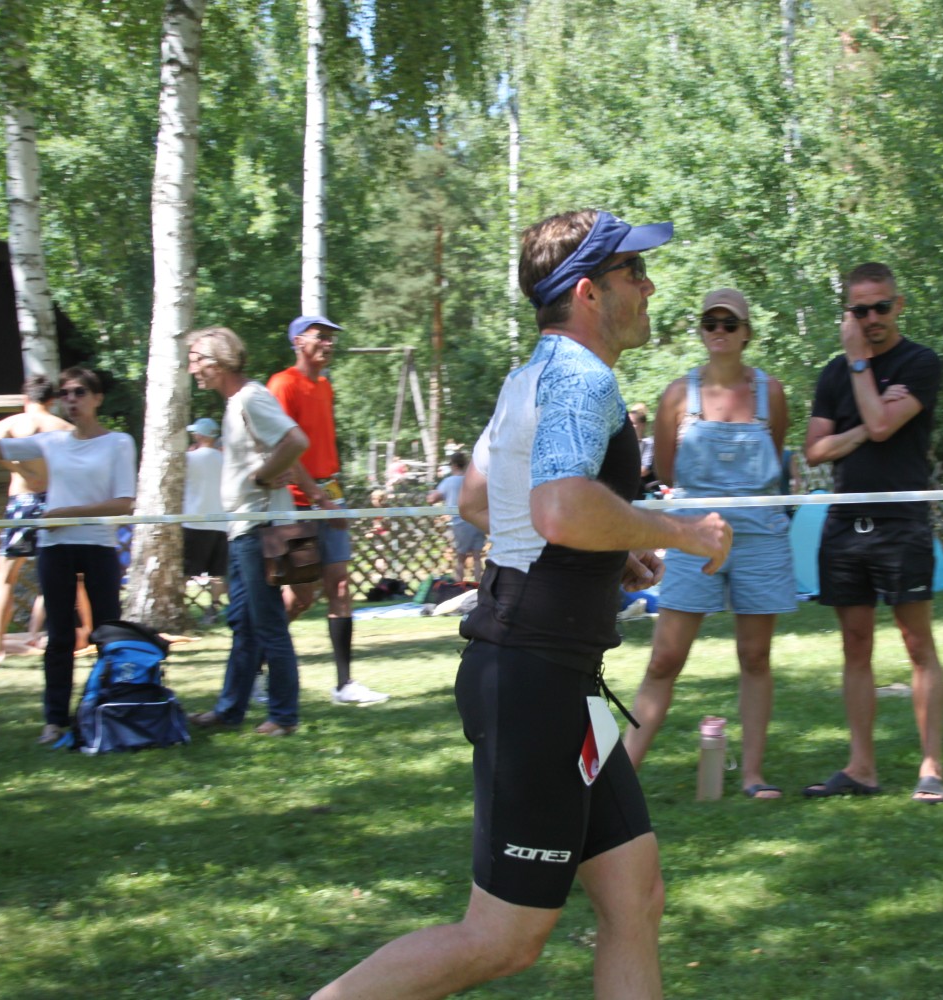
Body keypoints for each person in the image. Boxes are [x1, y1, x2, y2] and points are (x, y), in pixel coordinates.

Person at [311, 209, 732, 1000]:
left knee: (635, 895)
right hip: (535, 684)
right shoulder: (581, 378)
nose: (648, 287)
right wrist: (681, 532)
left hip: (563, 684)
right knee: (503, 939)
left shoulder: (530, 376)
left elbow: (480, 499)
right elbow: (560, 509)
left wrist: (613, 547)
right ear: (587, 293)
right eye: (634, 273)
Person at [622, 288, 794, 799]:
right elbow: (667, 470)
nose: (719, 331)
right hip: (693, 536)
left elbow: (776, 455)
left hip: (761, 538)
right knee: (665, 658)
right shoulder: (678, 394)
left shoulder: (771, 392)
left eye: (729, 323)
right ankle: (620, 780)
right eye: (710, 323)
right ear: (701, 331)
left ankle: (753, 775)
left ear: (746, 333)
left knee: (755, 656)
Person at [802, 262, 943, 804]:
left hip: (901, 520)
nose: (872, 318)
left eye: (881, 307)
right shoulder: (833, 374)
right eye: (860, 310)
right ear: (848, 312)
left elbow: (886, 427)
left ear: (898, 305)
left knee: (917, 643)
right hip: (845, 523)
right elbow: (815, 450)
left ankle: (931, 769)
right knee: (855, 645)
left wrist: (861, 367)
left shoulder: (920, 363)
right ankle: (861, 768)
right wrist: (865, 427)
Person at [0, 368, 136, 744]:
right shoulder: (52, 441)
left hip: (99, 546)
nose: (71, 400)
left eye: (79, 392)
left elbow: (124, 502)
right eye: (66, 394)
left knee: (107, 634)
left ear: (97, 398)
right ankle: (54, 721)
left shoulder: (118, 442)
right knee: (58, 638)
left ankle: (110, 709)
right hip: (55, 548)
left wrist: (65, 514)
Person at [186, 327, 310, 736]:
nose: (192, 368)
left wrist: (262, 476)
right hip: (245, 527)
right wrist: (266, 471)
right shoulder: (236, 402)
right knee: (243, 622)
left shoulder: (251, 398)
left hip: (263, 527)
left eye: (196, 359)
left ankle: (284, 716)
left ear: (218, 362)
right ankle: (229, 710)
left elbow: (295, 440)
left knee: (268, 623)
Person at [267, 315, 388, 706]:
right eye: (321, 336)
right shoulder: (282, 384)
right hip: (295, 503)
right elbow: (284, 450)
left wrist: (331, 494)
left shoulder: (324, 386)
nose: (329, 344)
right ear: (298, 341)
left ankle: (344, 684)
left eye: (332, 338)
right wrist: (318, 498)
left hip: (328, 495)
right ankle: (252, 665)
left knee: (339, 586)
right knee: (301, 596)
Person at [0, 374, 73, 667]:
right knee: (63, 574)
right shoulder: (65, 428)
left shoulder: (9, 425)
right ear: (52, 400)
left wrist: (21, 471)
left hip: (22, 501)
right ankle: (71, 636)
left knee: (5, 577)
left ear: (25, 398)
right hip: (56, 502)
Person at [182, 416, 228, 624]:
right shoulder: (224, 460)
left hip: (194, 520)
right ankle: (214, 607)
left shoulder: (188, 459)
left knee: (185, 571)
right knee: (217, 572)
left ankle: (180, 607)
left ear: (200, 435)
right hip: (220, 522)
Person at [427, 451, 484, 584]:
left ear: (454, 465)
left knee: (460, 559)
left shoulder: (449, 481)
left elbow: (432, 499)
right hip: (477, 522)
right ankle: (479, 586)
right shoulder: (473, 479)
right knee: (477, 558)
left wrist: (431, 494)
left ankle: (458, 587)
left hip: (460, 523)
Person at [628, 402, 656, 497]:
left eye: (632, 423)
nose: (629, 427)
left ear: (642, 425)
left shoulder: (649, 443)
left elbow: (644, 471)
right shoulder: (627, 444)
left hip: (646, 491)